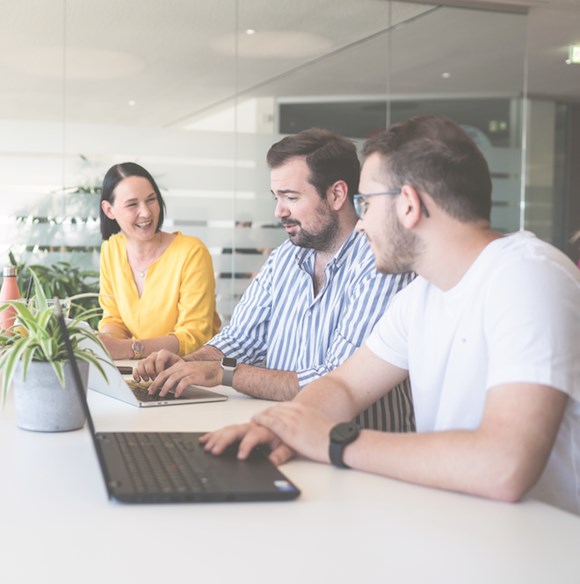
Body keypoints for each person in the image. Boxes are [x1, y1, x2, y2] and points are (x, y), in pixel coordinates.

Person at [201, 116, 580, 515]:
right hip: (461, 525)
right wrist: (278, 426)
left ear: (409, 204)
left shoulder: (527, 276)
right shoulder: (420, 296)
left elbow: (504, 466)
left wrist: (333, 440)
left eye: (365, 203)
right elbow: (344, 387)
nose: (360, 223)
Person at [135, 129, 414, 432]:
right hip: (282, 433)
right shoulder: (285, 257)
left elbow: (337, 378)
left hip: (357, 452)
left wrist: (224, 374)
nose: (278, 211)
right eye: (277, 197)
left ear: (336, 194)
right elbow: (241, 338)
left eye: (290, 197)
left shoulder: (379, 262)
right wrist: (187, 364)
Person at [97, 162, 220, 360]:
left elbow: (194, 336)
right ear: (109, 210)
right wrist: (108, 344)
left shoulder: (191, 252)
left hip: (190, 373)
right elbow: (114, 319)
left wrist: (129, 349)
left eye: (151, 200)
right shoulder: (111, 249)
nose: (146, 212)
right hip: (140, 371)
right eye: (132, 204)